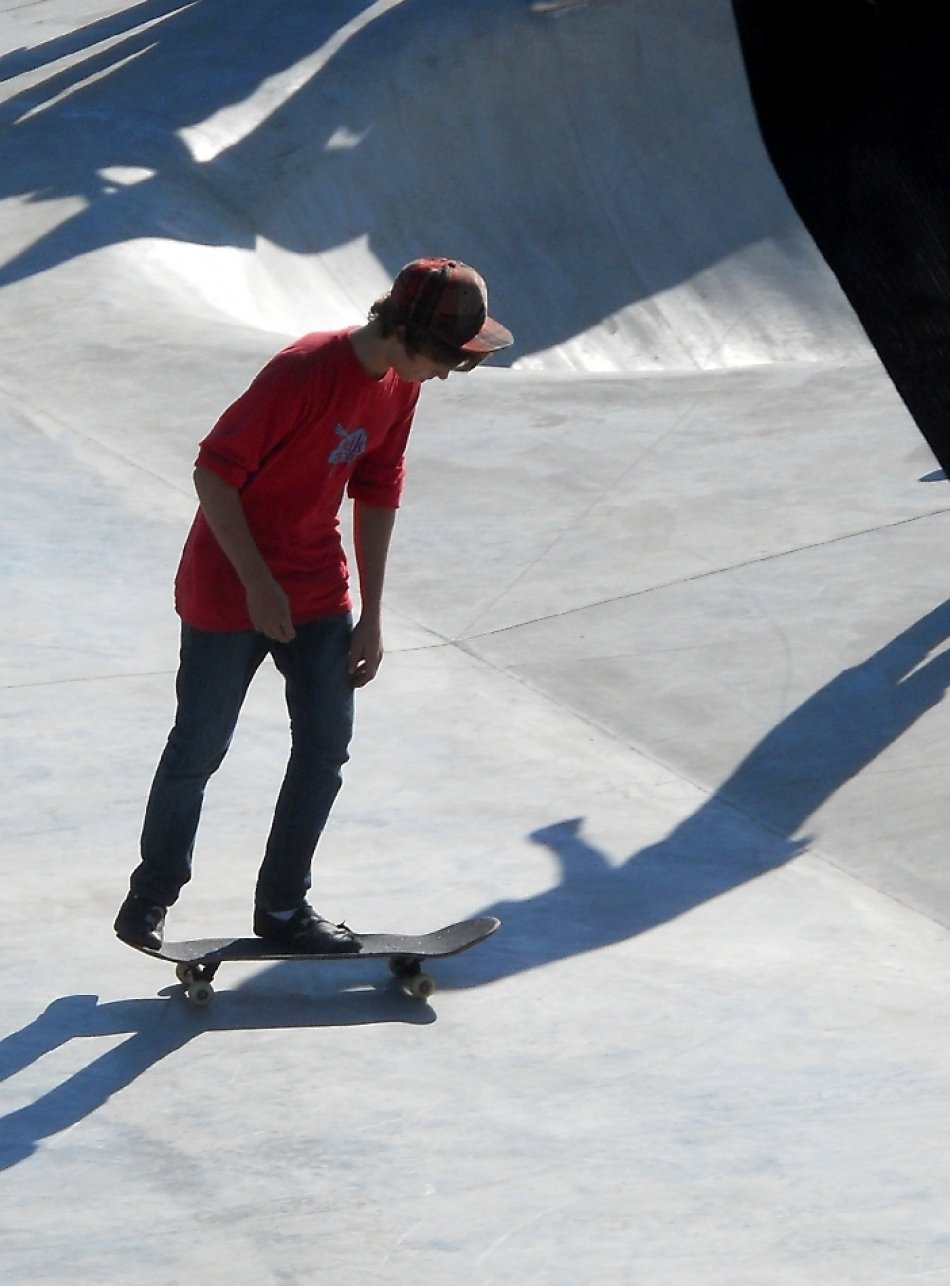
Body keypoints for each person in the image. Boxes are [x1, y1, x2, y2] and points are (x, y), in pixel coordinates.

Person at [114, 258, 513, 954]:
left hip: (317, 585)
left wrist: (374, 615)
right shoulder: (303, 371)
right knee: (199, 747)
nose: (447, 374)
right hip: (228, 586)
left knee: (326, 744)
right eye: (446, 358)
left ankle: (282, 907)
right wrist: (257, 584)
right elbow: (213, 473)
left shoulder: (401, 384)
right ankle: (150, 897)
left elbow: (379, 488)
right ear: (405, 332)